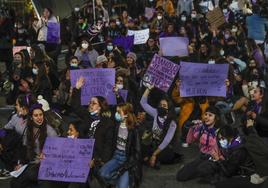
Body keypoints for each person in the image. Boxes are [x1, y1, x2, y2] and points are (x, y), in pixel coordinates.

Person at [10, 103, 57, 188]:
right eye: (36, 115)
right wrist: (20, 163)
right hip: (32, 162)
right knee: (14, 182)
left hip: (46, 164)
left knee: (31, 174)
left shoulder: (50, 132)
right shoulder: (28, 129)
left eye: (40, 115)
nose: (39, 118)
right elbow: (24, 149)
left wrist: (48, 156)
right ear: (31, 117)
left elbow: (58, 152)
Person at [99, 103, 142, 188]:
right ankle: (119, 179)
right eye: (116, 112)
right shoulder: (117, 125)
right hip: (116, 156)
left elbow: (137, 153)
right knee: (102, 174)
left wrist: (125, 167)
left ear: (126, 114)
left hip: (127, 159)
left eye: (119, 112)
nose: (116, 114)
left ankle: (123, 181)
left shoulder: (133, 130)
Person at [140, 85, 182, 168]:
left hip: (163, 146)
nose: (161, 107)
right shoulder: (156, 113)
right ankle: (149, 158)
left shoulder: (172, 123)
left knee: (166, 155)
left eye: (164, 106)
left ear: (168, 108)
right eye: (160, 105)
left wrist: (154, 155)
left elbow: (166, 141)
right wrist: (148, 89)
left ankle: (151, 158)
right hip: (153, 142)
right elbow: (143, 103)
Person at [176, 106, 221, 181]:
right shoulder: (201, 128)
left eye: (210, 115)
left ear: (216, 118)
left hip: (213, 159)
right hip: (201, 156)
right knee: (181, 176)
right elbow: (189, 141)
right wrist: (192, 128)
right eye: (206, 114)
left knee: (201, 170)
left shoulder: (219, 131)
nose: (207, 117)